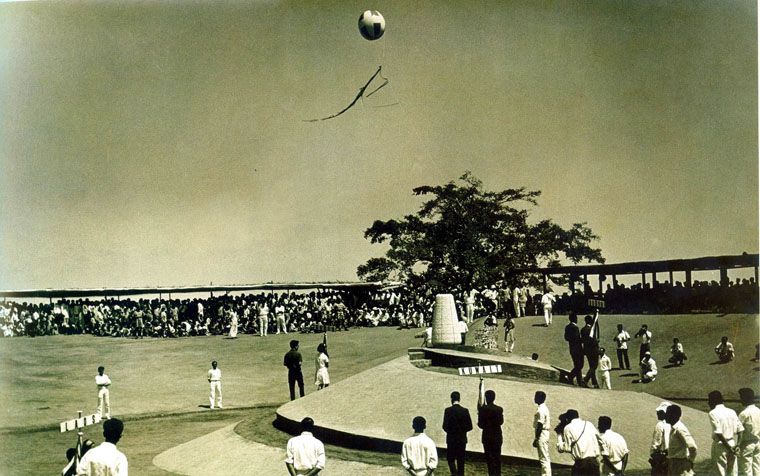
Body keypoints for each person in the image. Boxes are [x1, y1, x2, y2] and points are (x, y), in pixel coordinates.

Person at [708, 390, 743, 476]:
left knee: (719, 471)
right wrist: (738, 445)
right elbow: (740, 430)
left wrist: (728, 447)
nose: (708, 403)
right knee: (733, 472)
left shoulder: (712, 413)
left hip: (720, 444)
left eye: (709, 401)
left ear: (712, 401)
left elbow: (719, 433)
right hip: (732, 443)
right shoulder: (732, 411)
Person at [556, 409, 600, 476]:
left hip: (581, 464)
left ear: (568, 419)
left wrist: (559, 435)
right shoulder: (588, 424)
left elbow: (567, 449)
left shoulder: (568, 428)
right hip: (594, 462)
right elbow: (599, 438)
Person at [442, 391, 473, 476]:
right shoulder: (465, 411)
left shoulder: (448, 410)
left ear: (451, 399)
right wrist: (462, 431)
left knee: (450, 459)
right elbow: (470, 426)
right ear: (459, 399)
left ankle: (454, 473)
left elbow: (444, 426)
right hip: (462, 439)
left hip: (451, 439)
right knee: (461, 460)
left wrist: (451, 432)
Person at [477, 389, 504, 476]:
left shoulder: (483, 409)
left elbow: (481, 425)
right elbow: (501, 422)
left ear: (486, 398)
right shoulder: (499, 409)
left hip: (487, 436)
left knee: (489, 459)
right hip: (497, 436)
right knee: (497, 458)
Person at [666, 404, 697, 476]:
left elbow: (692, 447)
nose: (665, 416)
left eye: (668, 414)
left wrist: (690, 461)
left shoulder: (680, 429)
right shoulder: (674, 428)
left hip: (680, 464)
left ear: (673, 415)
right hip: (674, 463)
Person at [737, 387, 760, 476]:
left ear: (745, 398)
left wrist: (737, 445)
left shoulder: (744, 413)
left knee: (746, 470)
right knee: (757, 467)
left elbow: (738, 430)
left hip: (747, 443)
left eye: (741, 397)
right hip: (758, 442)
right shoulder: (758, 411)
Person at [533, 391, 552, 476]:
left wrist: (536, 438)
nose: (534, 398)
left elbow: (540, 425)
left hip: (542, 434)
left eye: (536, 397)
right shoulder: (543, 408)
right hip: (544, 433)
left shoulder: (541, 409)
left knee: (543, 458)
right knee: (544, 457)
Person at [650, 402, 672, 476]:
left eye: (660, 412)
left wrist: (652, 454)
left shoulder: (660, 425)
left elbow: (656, 443)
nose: (657, 413)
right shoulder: (672, 424)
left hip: (661, 456)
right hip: (671, 456)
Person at [564, 313, 585, 386]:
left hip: (572, 348)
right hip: (578, 349)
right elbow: (577, 339)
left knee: (577, 365)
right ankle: (571, 376)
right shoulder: (575, 328)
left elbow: (566, 338)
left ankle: (579, 381)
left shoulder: (567, 327)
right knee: (580, 365)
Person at [581, 314, 600, 388]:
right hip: (593, 350)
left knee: (592, 366)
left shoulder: (583, 329)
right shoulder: (591, 330)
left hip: (587, 350)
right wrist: (596, 341)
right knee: (594, 366)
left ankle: (594, 383)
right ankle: (585, 380)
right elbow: (592, 340)